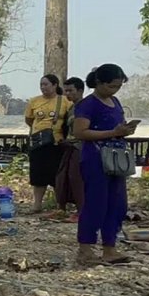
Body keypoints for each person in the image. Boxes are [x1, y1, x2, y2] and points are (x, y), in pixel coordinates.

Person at [73, 64, 137, 265]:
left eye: (118, 86)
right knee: (95, 203)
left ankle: (110, 248)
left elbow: (117, 127)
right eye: (111, 86)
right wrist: (113, 133)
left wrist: (125, 131)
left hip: (117, 158)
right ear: (98, 82)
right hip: (95, 158)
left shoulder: (116, 102)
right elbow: (80, 132)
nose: (114, 90)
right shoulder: (87, 104)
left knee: (117, 204)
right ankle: (85, 249)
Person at [25, 74, 69, 213]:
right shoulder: (34, 101)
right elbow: (29, 120)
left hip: (57, 143)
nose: (43, 87)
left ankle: (59, 206)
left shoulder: (65, 101)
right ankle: (37, 205)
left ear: (55, 85)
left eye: (46, 84)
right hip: (38, 143)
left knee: (57, 175)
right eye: (41, 84)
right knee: (38, 175)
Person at [55, 77, 86, 222]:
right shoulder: (72, 107)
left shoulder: (86, 106)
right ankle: (61, 208)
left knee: (77, 180)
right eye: (65, 91)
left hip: (81, 147)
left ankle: (82, 212)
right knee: (62, 178)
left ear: (80, 90)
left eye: (70, 90)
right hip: (69, 146)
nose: (68, 94)